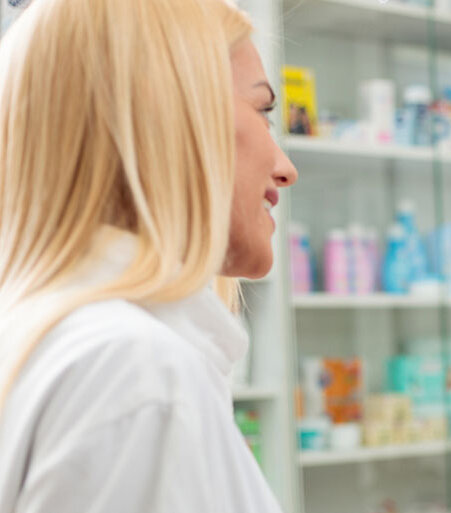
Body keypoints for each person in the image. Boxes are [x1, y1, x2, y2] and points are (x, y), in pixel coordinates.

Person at [0, 0, 298, 510]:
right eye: (262, 110)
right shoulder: (136, 371)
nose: (285, 168)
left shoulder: (58, 337)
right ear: (164, 117)